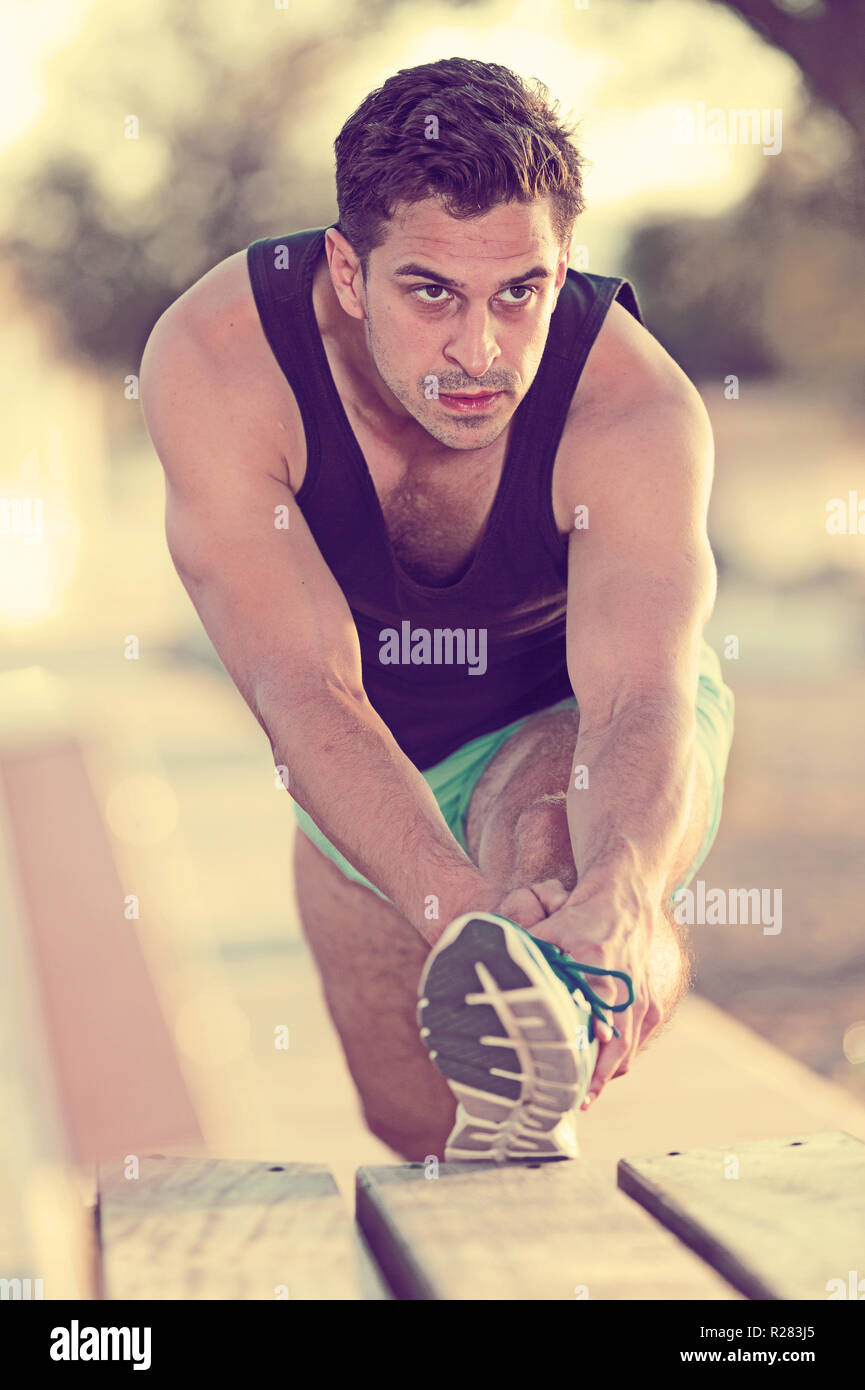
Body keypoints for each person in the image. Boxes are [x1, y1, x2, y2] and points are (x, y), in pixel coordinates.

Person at [140, 57, 734, 1163]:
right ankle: (524, 1021)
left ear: (564, 264)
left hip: (569, 712)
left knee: (557, 844)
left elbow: (635, 692)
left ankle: (577, 984)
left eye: (522, 291)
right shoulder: (221, 363)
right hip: (364, 738)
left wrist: (618, 889)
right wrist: (452, 903)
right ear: (349, 271)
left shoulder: (634, 406)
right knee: (415, 1124)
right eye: (431, 294)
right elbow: (298, 686)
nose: (481, 350)